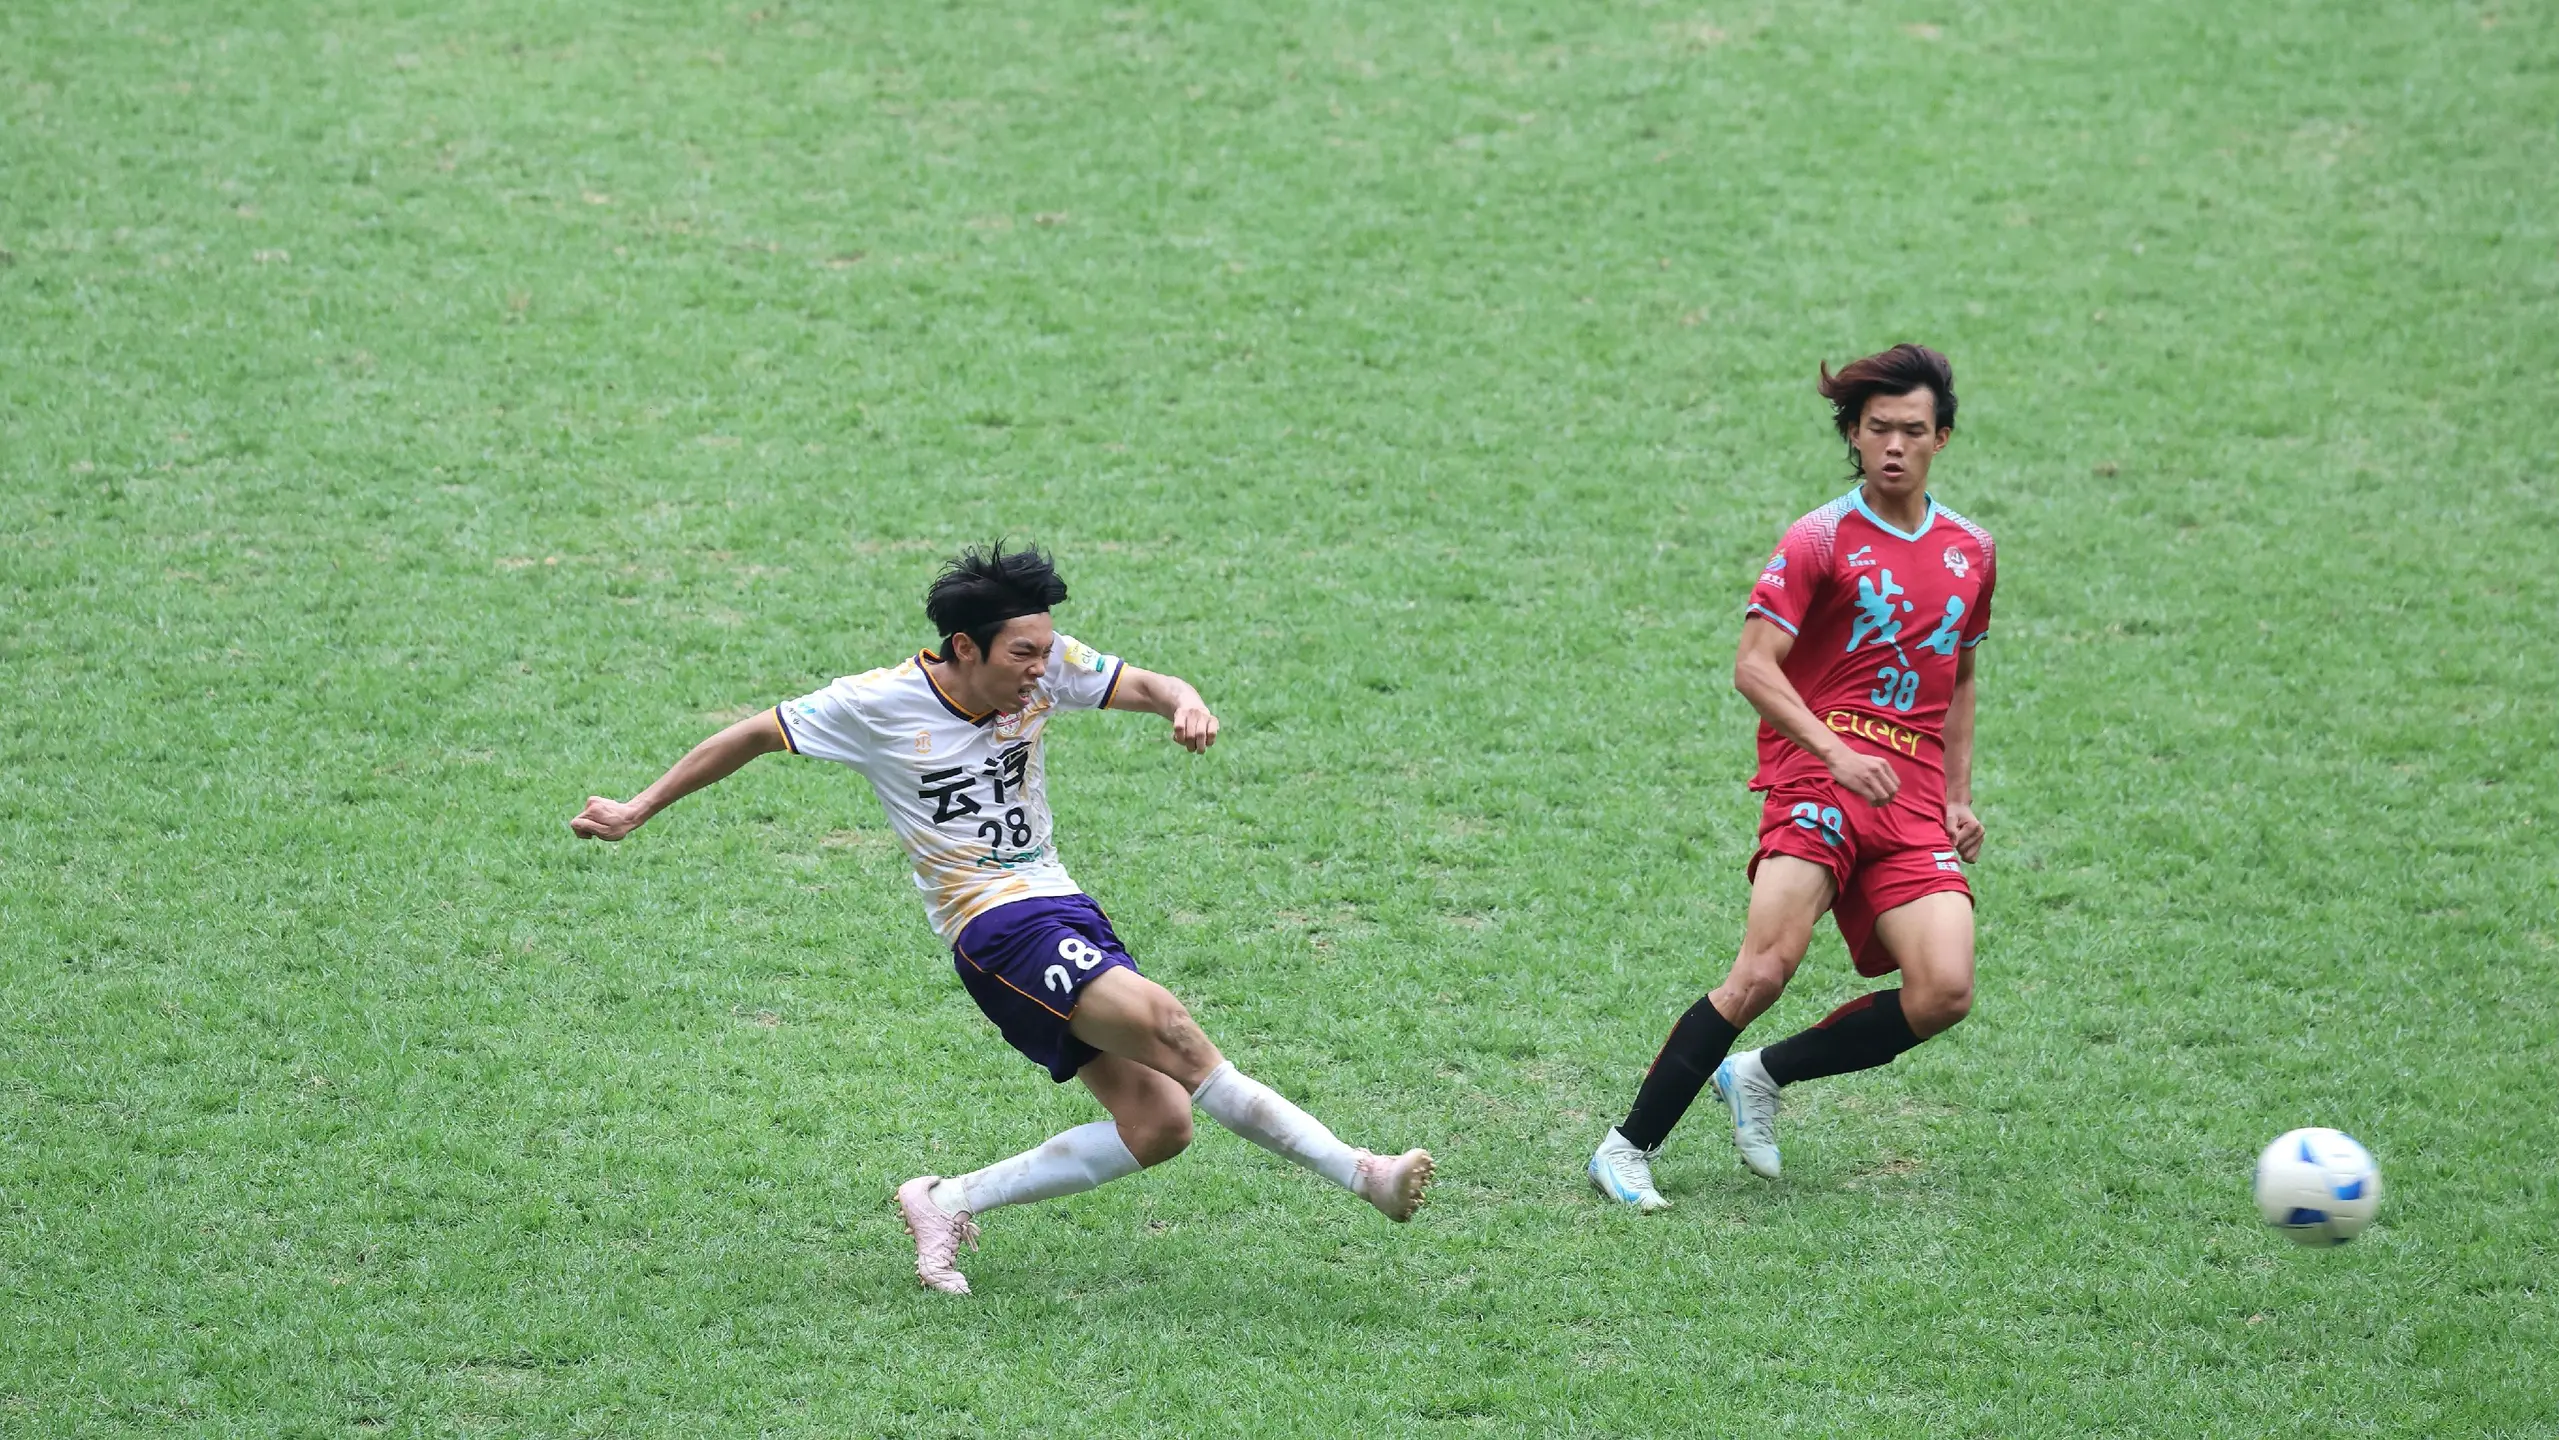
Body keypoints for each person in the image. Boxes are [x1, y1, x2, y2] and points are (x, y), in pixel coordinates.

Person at [571, 544, 1433, 1292]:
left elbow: (1145, 681)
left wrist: (1183, 700)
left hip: (1059, 904)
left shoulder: (1044, 663)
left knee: (1160, 1125)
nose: (1041, 668)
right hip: (992, 927)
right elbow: (752, 735)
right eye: (1023, 652)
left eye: (1046, 649)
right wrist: (638, 809)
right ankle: (1362, 1174)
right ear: (962, 647)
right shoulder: (875, 704)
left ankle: (944, 1201)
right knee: (1170, 1025)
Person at [1587, 344, 1996, 1210]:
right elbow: (1753, 666)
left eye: (1911, 431)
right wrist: (1835, 752)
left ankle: (1762, 1075)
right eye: (1875, 428)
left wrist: (1957, 794)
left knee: (1943, 991)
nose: (1892, 445)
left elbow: (1957, 675)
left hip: (1912, 797)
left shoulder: (1972, 551)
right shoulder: (1818, 538)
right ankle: (1626, 1148)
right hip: (1819, 776)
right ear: (1852, 432)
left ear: (1942, 438)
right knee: (1766, 967)